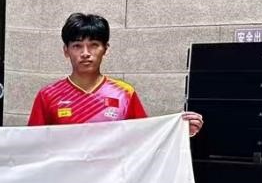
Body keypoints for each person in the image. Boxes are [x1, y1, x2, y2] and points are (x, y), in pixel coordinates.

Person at [27, 13, 203, 136]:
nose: (85, 53)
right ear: (66, 51)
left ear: (106, 49)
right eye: (77, 46)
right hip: (66, 179)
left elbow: (145, 137)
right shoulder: (48, 95)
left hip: (112, 179)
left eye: (94, 45)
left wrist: (179, 132)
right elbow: (31, 144)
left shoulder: (124, 93)